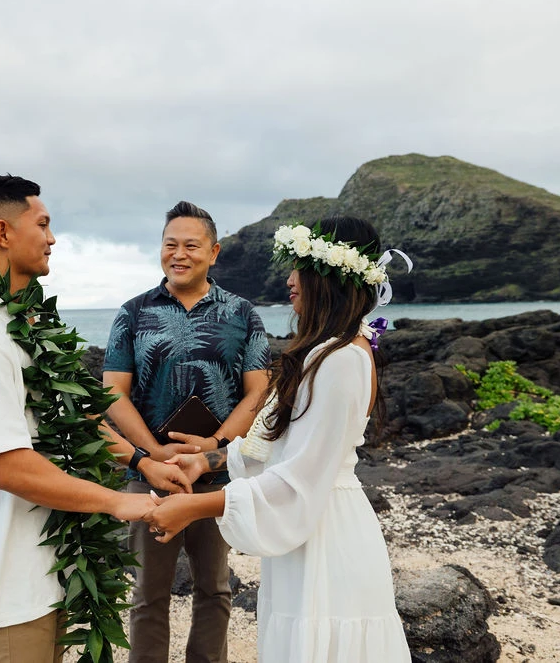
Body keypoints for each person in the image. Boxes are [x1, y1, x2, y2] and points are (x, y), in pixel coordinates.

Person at [0, 175, 193, 663]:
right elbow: (6, 466)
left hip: (55, 566)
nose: (53, 238)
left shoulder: (28, 324)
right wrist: (122, 503)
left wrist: (143, 464)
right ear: (3, 232)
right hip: (11, 581)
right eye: (43, 224)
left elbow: (76, 420)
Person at [144, 215, 412, 662]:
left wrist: (195, 507)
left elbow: (299, 477)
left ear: (328, 278)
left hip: (326, 530)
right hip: (306, 526)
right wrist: (206, 462)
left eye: (298, 269)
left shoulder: (342, 358)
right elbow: (275, 446)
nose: (289, 280)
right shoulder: (325, 351)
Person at [102, 201, 271, 663]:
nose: (178, 254)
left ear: (213, 252)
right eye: (169, 244)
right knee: (148, 590)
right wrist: (152, 453)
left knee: (215, 588)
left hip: (218, 475)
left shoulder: (243, 314)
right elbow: (113, 390)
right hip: (148, 475)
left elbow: (258, 391)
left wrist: (216, 445)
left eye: (191, 245)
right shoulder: (133, 313)